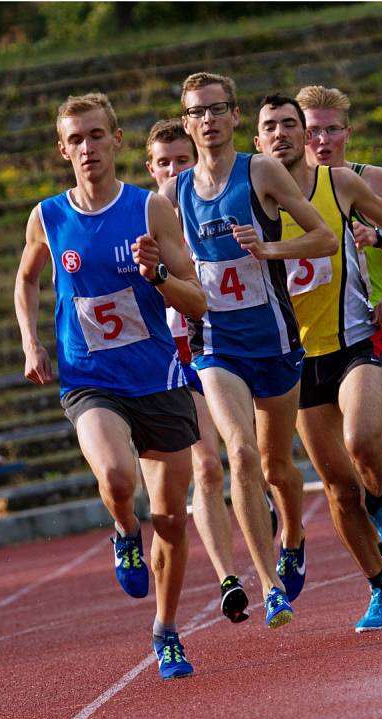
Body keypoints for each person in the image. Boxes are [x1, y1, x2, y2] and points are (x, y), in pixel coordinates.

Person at [14, 92, 207, 680]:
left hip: (158, 378)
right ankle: (124, 530)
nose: (87, 148)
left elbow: (198, 299)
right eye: (76, 139)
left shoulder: (150, 210)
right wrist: (32, 342)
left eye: (96, 135)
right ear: (62, 149)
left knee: (173, 519)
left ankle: (165, 630)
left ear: (117, 140)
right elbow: (25, 282)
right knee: (118, 477)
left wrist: (156, 273)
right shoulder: (48, 216)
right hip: (88, 378)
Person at [161, 72, 338, 629]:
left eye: (217, 109)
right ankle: (269, 587)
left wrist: (270, 248)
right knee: (238, 454)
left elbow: (324, 238)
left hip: (276, 340)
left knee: (279, 466)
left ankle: (294, 535)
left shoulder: (258, 171)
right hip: (217, 345)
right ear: (187, 123)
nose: (208, 120)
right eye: (197, 112)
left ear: (235, 117)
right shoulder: (174, 194)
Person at [254, 93, 382, 631]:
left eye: (289, 125)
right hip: (297, 360)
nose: (281, 135)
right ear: (257, 144)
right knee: (337, 487)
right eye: (269, 127)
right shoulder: (248, 202)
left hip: (353, 340)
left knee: (366, 443)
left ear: (305, 135)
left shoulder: (338, 184)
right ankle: (379, 586)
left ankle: (381, 504)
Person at [296, 85, 382, 582]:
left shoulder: (369, 180)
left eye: (331, 128)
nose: (321, 139)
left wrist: (376, 236)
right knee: (346, 465)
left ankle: (381, 495)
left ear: (347, 133)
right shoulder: (279, 190)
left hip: (377, 328)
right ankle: (373, 536)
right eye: (311, 129)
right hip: (311, 341)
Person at [146, 118, 278, 624]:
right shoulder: (144, 219)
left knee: (251, 455)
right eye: (165, 164)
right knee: (206, 466)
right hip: (175, 352)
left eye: (184, 161)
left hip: (228, 340)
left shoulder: (216, 206)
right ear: (151, 169)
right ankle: (228, 577)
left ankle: (269, 515)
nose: (176, 171)